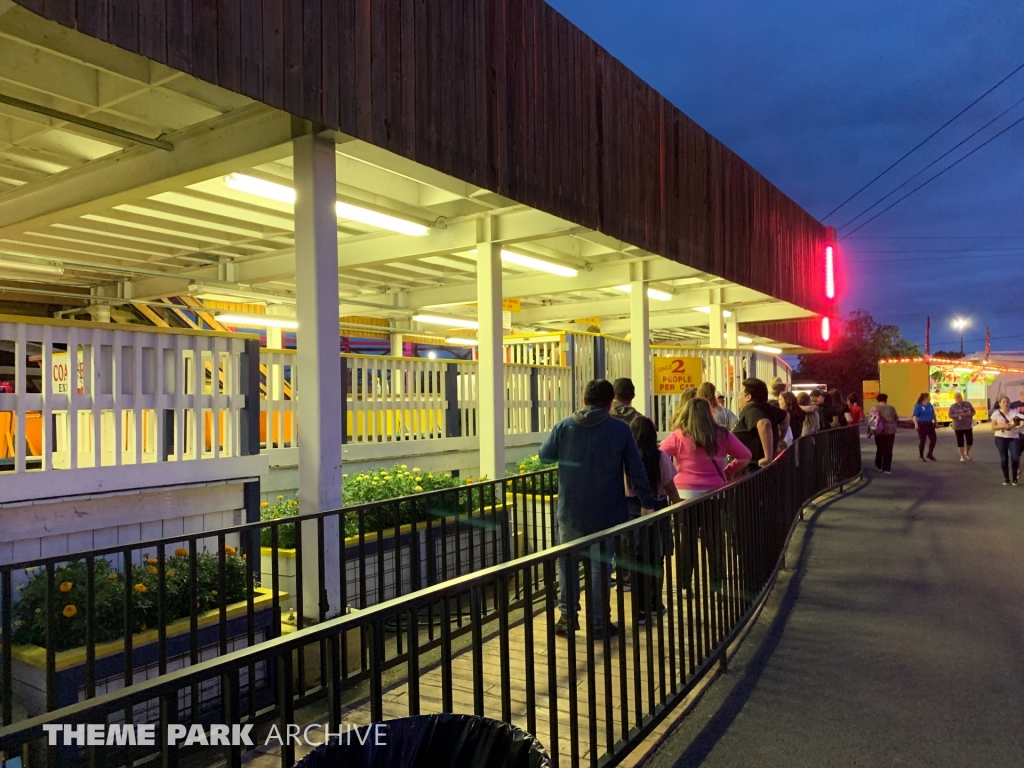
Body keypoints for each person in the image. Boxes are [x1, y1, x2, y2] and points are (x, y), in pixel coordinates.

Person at [539, 379, 654, 637]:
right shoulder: (620, 430)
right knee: (601, 567)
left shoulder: (564, 425)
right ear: (610, 401)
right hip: (607, 511)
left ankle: (568, 619)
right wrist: (647, 502)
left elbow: (545, 455)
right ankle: (600, 623)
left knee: (567, 565)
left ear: (583, 398)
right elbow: (636, 469)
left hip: (571, 511)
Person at [660, 398, 751, 593]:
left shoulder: (678, 435)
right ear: (710, 413)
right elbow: (745, 455)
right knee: (715, 538)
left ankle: (685, 585)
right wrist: (728, 471)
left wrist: (673, 474)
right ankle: (717, 585)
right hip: (714, 493)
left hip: (683, 494)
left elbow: (660, 455)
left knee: (687, 539)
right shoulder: (722, 435)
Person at [626, 416, 681, 624]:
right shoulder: (661, 457)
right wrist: (678, 505)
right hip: (658, 510)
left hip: (632, 511)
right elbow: (669, 485)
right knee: (657, 558)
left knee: (637, 561)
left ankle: (639, 611)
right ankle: (655, 604)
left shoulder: (626, 458)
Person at [732, 378, 775, 471]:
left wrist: (768, 457)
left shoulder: (751, 410)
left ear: (748, 397)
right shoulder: (767, 408)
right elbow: (786, 417)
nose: (739, 398)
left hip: (751, 469)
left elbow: (764, 423)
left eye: (741, 394)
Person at [991, 395, 1023, 486]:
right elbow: (993, 427)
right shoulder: (996, 413)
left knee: (1014, 457)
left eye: (1008, 402)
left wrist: (1008, 425)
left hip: (1013, 438)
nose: (1006, 403)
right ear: (1000, 404)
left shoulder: (1015, 412)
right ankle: (1006, 478)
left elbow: (1018, 423)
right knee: (1004, 458)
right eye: (1004, 402)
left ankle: (1014, 478)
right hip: (1000, 438)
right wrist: (1002, 426)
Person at [868, 393, 899, 474]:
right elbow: (896, 418)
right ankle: (887, 468)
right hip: (890, 431)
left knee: (880, 448)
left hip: (878, 430)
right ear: (886, 399)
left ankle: (878, 465)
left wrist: (870, 431)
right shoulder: (891, 408)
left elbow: (871, 420)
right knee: (888, 449)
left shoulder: (874, 408)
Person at [948, 392, 976, 462]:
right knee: (960, 441)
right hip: (958, 426)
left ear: (961, 397)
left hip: (968, 425)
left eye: (959, 397)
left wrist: (968, 414)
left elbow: (974, 412)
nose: (957, 398)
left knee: (970, 441)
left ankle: (967, 452)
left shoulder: (967, 404)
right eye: (956, 397)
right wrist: (959, 415)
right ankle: (962, 456)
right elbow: (950, 415)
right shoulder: (953, 406)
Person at [912, 392, 937, 462]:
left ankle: (930, 453)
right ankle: (921, 456)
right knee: (922, 440)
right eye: (929, 397)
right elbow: (915, 416)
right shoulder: (918, 406)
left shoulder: (930, 405)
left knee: (933, 439)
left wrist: (936, 421)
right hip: (922, 424)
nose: (930, 398)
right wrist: (916, 424)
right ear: (925, 398)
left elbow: (933, 414)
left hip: (930, 424)